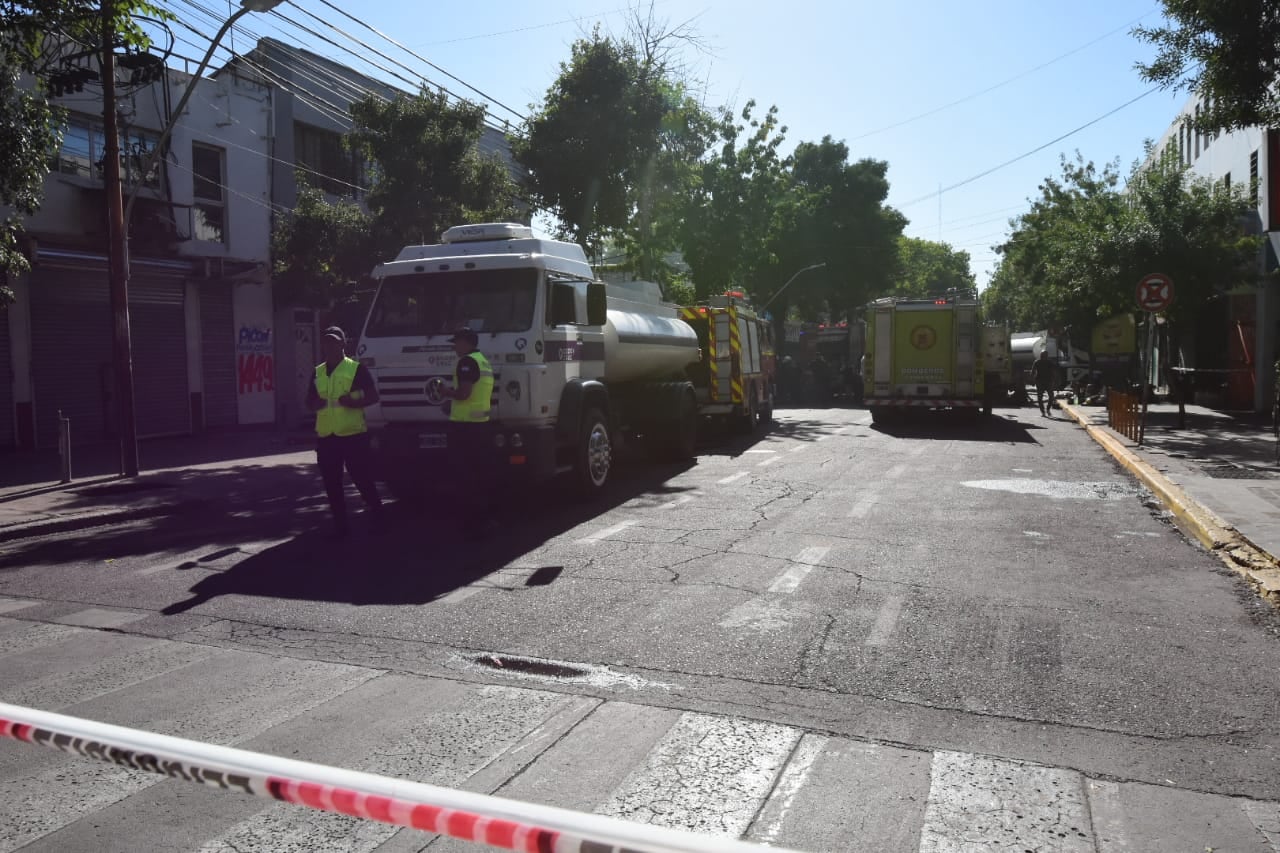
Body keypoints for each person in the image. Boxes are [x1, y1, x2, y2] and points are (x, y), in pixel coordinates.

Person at [305, 326, 384, 537]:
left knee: (361, 478)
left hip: (353, 436)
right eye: (327, 342)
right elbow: (309, 402)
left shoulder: (356, 369)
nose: (330, 346)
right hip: (327, 437)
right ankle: (341, 525)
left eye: (334, 341)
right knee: (331, 483)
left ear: (343, 344)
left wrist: (353, 402)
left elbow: (373, 397)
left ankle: (377, 511)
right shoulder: (318, 371)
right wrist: (316, 405)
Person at [439, 327, 496, 537]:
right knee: (479, 475)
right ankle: (485, 519)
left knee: (464, 476)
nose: (454, 346)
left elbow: (464, 393)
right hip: (480, 425)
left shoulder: (467, 362)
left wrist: (446, 392)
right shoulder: (482, 360)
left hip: (464, 428)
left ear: (467, 342)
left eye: (457, 342)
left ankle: (471, 523)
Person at [1031, 349, 1056, 417]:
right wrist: (1033, 380)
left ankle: (1047, 410)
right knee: (1041, 398)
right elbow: (1033, 372)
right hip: (1040, 381)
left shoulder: (1049, 362)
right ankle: (1043, 411)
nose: (1043, 356)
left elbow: (1053, 372)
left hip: (1047, 381)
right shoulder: (1037, 362)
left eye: (1045, 355)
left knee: (1051, 397)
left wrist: (1053, 380)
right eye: (1043, 355)